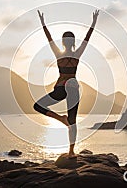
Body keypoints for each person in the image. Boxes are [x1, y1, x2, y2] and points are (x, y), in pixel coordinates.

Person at [33, 9, 99, 157]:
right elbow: (87, 40)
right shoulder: (76, 54)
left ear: (63, 42)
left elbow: (49, 39)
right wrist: (93, 23)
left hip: (61, 89)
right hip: (73, 88)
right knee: (73, 121)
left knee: (37, 106)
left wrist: (43, 24)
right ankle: (71, 152)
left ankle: (60, 119)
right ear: (73, 42)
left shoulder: (58, 54)